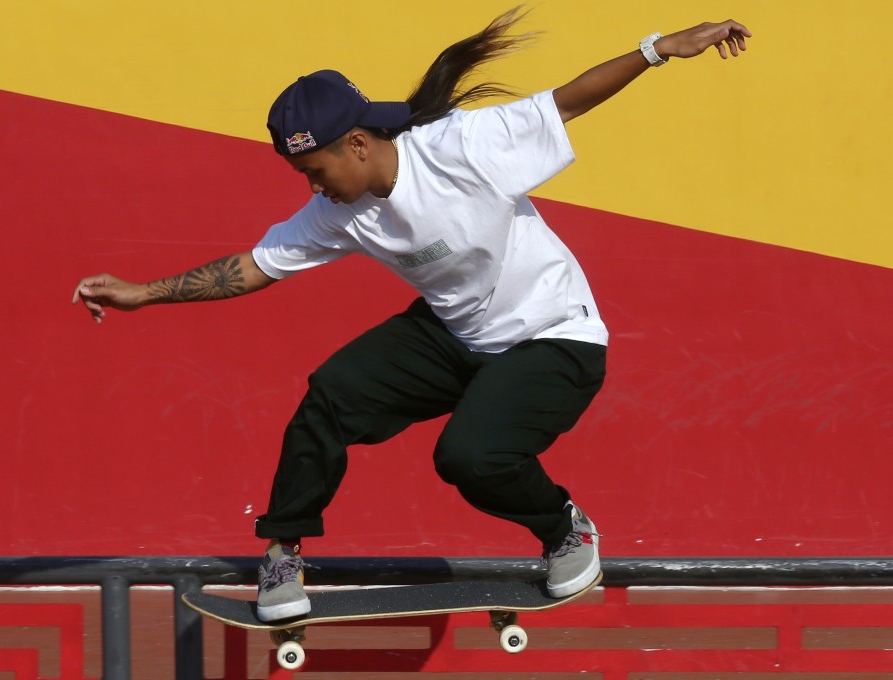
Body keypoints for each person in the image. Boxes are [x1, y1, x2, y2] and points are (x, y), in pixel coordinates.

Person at [72, 7, 751, 622]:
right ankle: (283, 553)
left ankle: (563, 529)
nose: (313, 188)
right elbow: (254, 266)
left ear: (357, 145)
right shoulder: (336, 212)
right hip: (457, 331)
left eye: (315, 170)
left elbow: (567, 100)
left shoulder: (461, 147)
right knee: (330, 395)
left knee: (468, 457)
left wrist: (658, 49)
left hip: (554, 336)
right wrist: (143, 293)